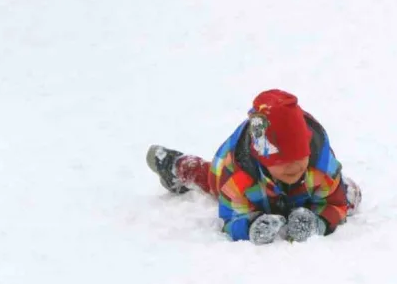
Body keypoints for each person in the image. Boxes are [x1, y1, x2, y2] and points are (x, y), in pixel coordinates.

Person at [145, 89, 361, 244]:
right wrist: (250, 227)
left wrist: (318, 222)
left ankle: (344, 189)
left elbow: (335, 204)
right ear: (263, 159)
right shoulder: (238, 177)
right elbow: (229, 219)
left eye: (299, 157)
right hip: (246, 183)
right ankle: (177, 166)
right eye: (282, 161)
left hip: (304, 191)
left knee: (347, 197)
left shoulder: (321, 168)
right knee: (211, 180)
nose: (293, 166)